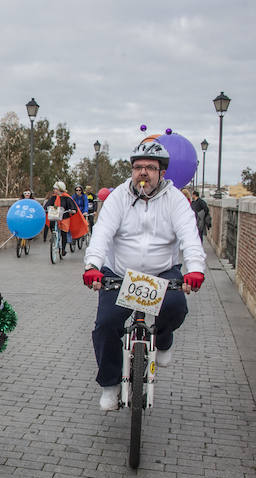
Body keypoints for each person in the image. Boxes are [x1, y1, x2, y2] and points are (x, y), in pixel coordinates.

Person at [82, 141, 206, 411]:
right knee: (105, 325)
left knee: (176, 308)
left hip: (161, 272)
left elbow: (189, 236)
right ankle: (110, 385)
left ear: (162, 172)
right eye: (138, 167)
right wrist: (92, 265)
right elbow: (102, 233)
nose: (143, 173)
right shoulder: (118, 197)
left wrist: (195, 269)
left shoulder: (175, 200)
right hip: (120, 272)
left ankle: (162, 339)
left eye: (150, 167)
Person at [43, 181, 85, 256]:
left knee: (64, 233)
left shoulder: (66, 197)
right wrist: (45, 209)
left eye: (55, 189)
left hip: (64, 217)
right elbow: (48, 204)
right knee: (52, 225)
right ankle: (54, 236)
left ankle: (63, 249)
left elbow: (72, 206)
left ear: (60, 189)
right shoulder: (53, 197)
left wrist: (72, 210)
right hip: (55, 216)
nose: (54, 190)